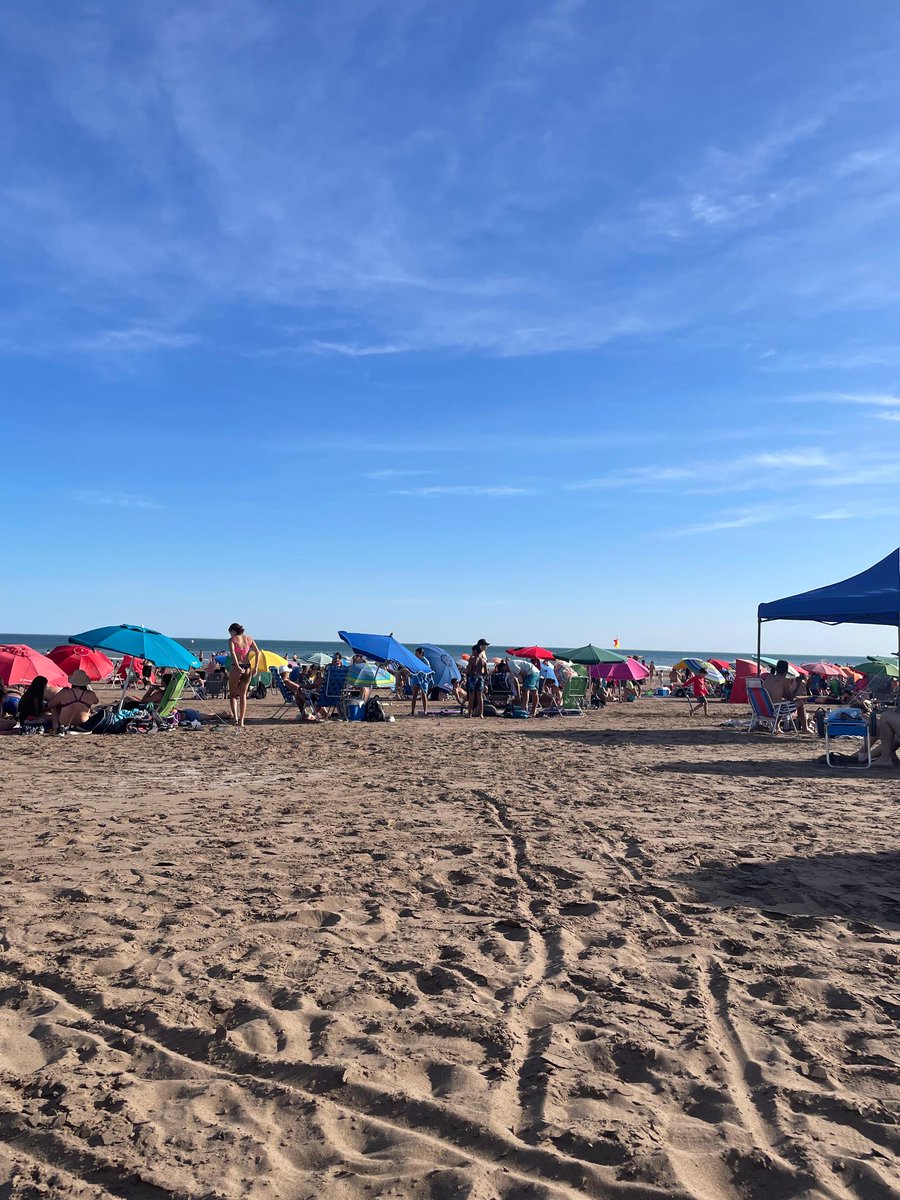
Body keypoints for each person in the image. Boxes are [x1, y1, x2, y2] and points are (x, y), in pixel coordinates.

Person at [227, 622, 260, 728]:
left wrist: (237, 666)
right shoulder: (249, 639)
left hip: (237, 667)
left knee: (233, 695)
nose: (230, 635)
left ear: (233, 631)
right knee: (243, 695)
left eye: (230, 632)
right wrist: (255, 667)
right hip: (248, 667)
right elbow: (257, 652)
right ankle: (241, 721)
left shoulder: (232, 640)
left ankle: (235, 719)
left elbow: (233, 653)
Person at [763, 659, 810, 732]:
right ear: (786, 670)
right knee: (801, 703)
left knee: (783, 703)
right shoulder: (784, 680)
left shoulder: (769, 678)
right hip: (775, 709)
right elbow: (791, 698)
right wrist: (798, 684)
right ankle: (805, 728)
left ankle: (776, 726)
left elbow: (774, 693)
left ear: (777, 669)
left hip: (764, 707)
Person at [466, 639, 490, 718]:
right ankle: (481, 714)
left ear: (475, 651)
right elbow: (486, 672)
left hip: (473, 677)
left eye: (473, 651)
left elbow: (469, 670)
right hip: (480, 678)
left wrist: (468, 672)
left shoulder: (472, 659)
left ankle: (469, 714)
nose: (472, 652)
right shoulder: (484, 660)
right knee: (480, 696)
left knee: (471, 696)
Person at [410, 648, 430, 717]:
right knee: (414, 695)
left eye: (417, 653)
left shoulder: (425, 661)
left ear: (421, 654)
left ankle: (425, 711)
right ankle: (412, 711)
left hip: (423, 679)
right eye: (415, 653)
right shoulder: (414, 660)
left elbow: (427, 670)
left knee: (424, 695)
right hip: (415, 678)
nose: (415, 655)